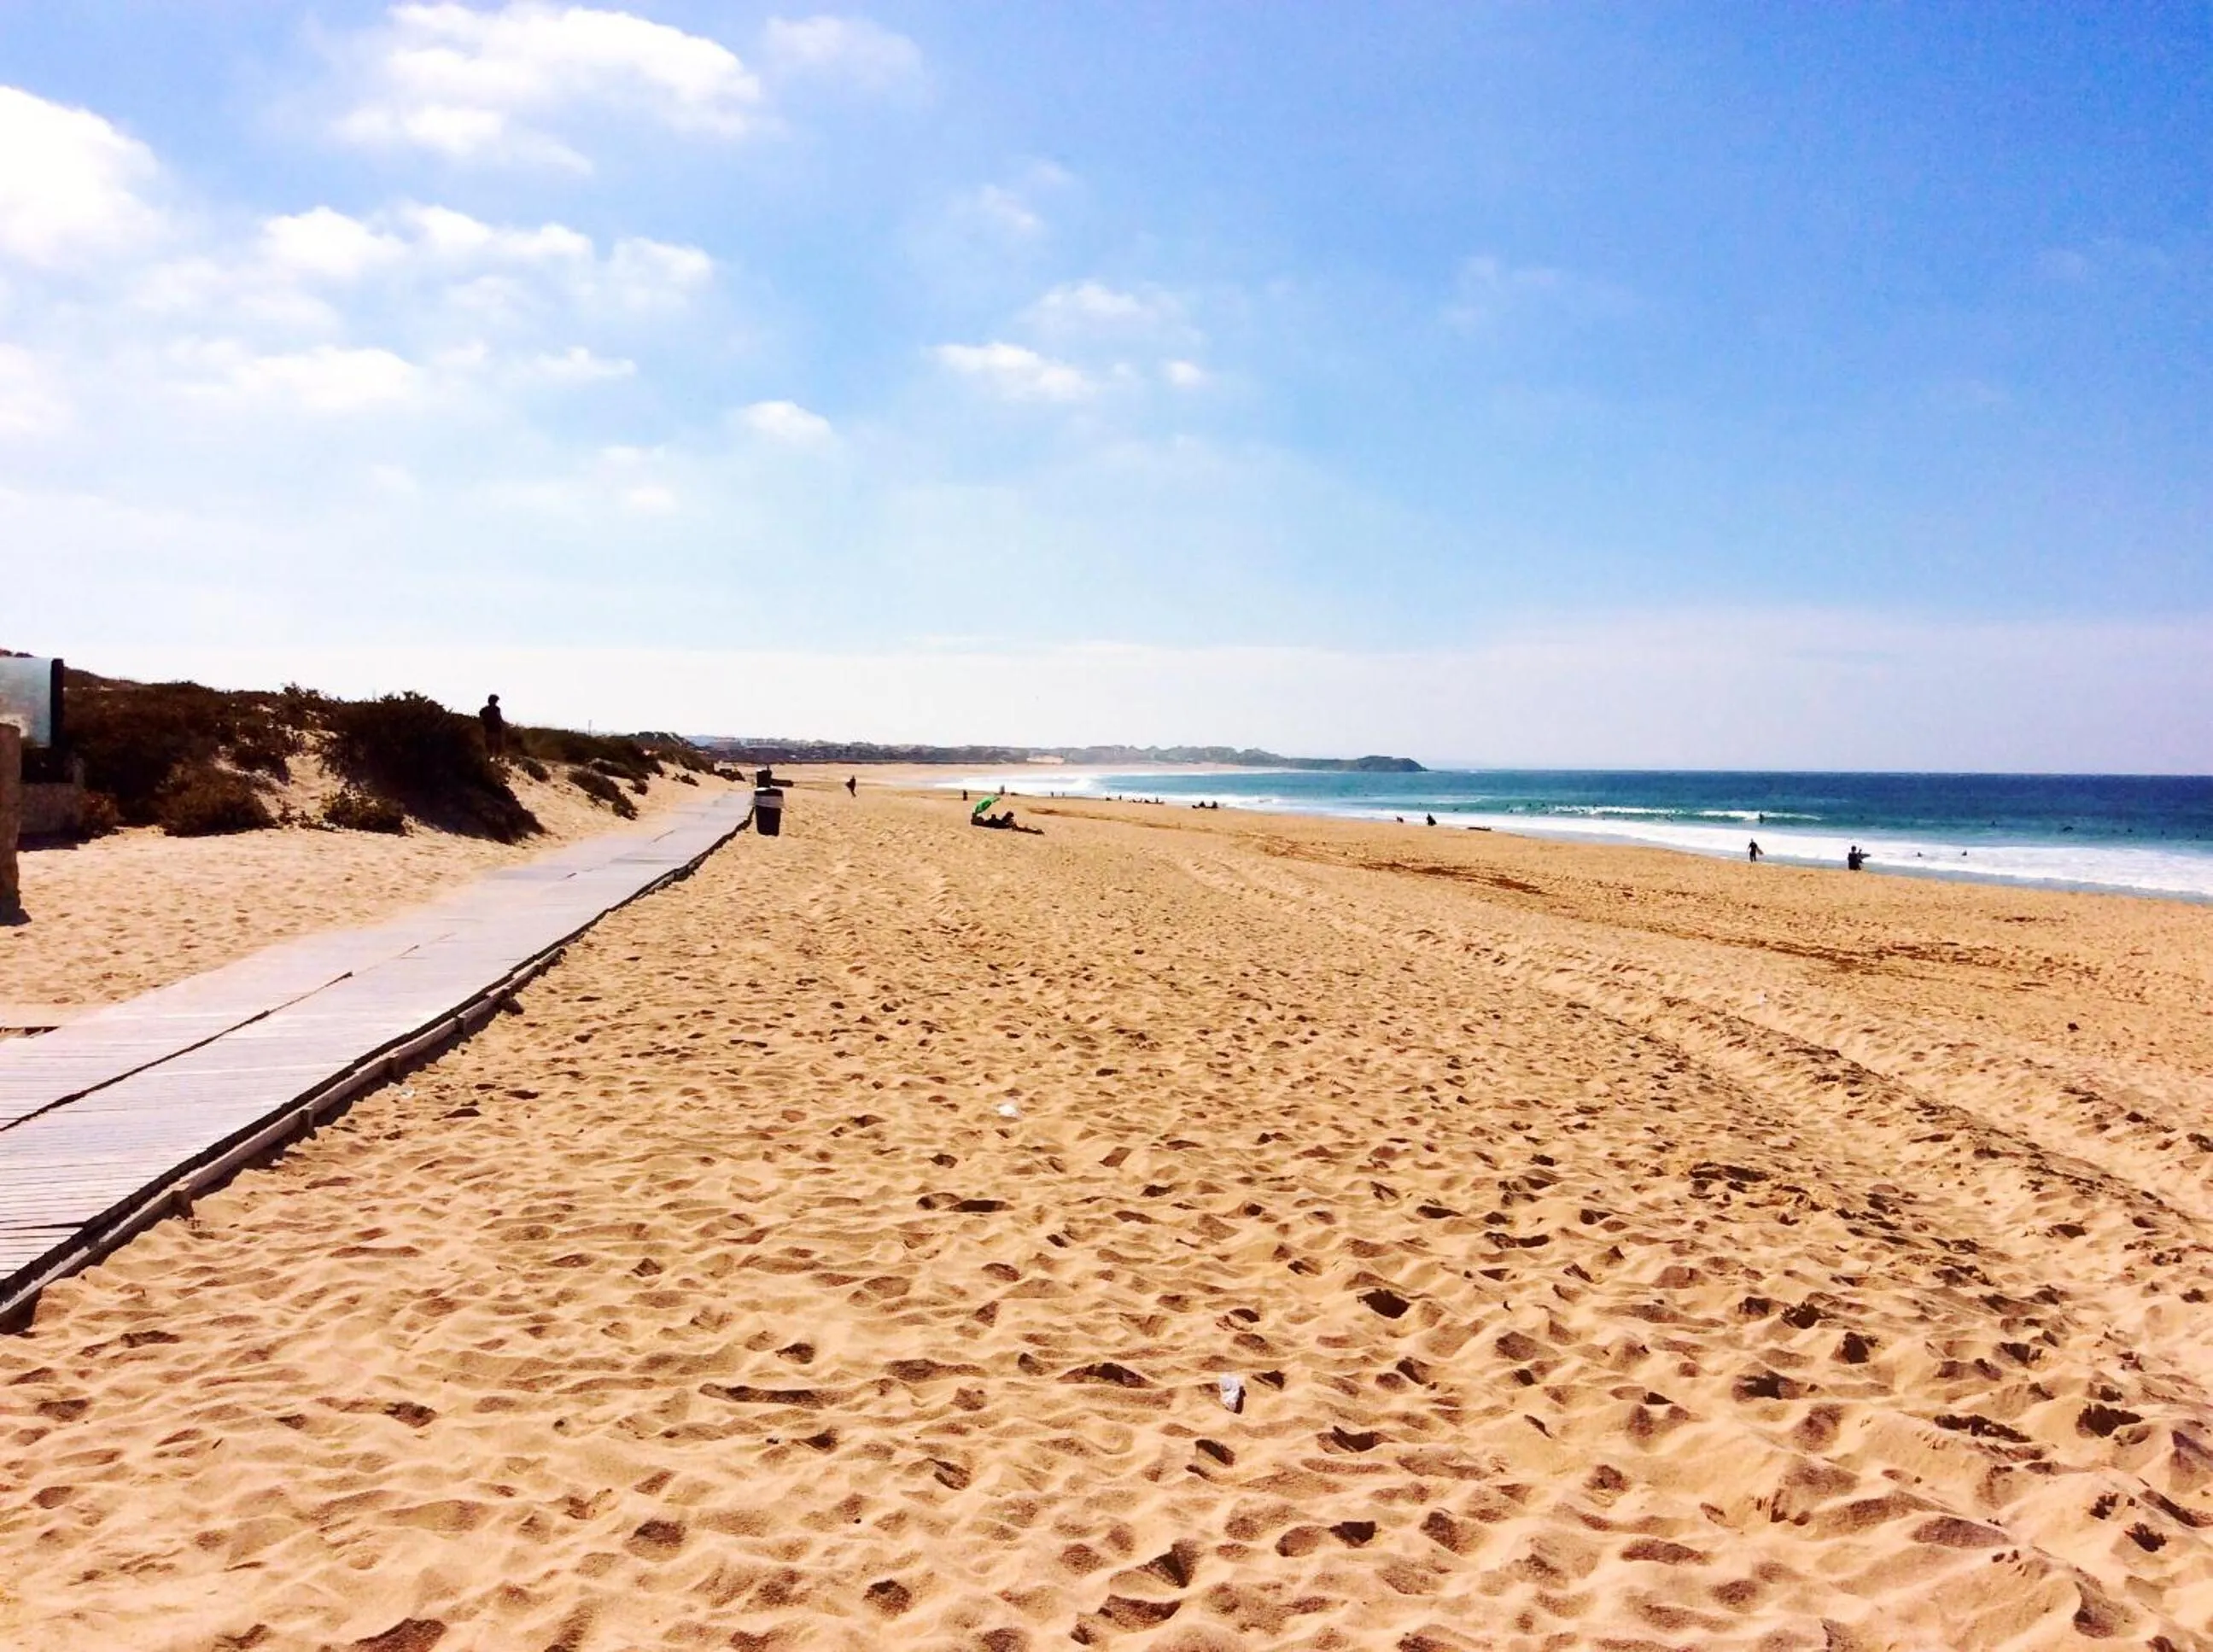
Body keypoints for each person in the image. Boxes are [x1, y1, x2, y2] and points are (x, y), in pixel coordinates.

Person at [478, 694, 505, 761]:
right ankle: (493, 758)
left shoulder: (484, 709)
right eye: (495, 701)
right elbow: (499, 718)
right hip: (494, 729)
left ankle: (491, 758)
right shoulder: (496, 709)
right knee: (495, 744)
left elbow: (481, 717)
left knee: (491, 744)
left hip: (490, 729)